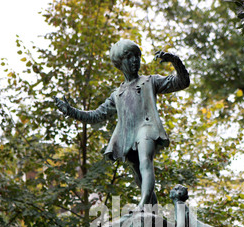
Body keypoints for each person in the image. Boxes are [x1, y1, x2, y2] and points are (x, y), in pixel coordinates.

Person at [54, 39, 190, 210]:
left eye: (137, 56)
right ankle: (150, 209)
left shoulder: (150, 81)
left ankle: (142, 204)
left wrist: (175, 61)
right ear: (120, 62)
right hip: (128, 135)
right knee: (139, 175)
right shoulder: (117, 94)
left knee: (145, 161)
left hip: (147, 128)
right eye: (129, 57)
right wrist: (70, 111)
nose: (135, 60)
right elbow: (95, 116)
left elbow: (182, 82)